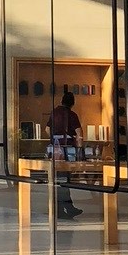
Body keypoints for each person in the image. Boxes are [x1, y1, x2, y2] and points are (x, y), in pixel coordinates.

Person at [48, 86, 84, 219]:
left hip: (55, 150)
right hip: (67, 150)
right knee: (65, 179)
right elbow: (79, 133)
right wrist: (79, 150)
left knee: (58, 179)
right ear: (72, 103)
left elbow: (47, 129)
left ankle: (63, 208)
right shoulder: (72, 115)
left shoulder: (54, 112)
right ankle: (66, 207)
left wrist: (53, 140)